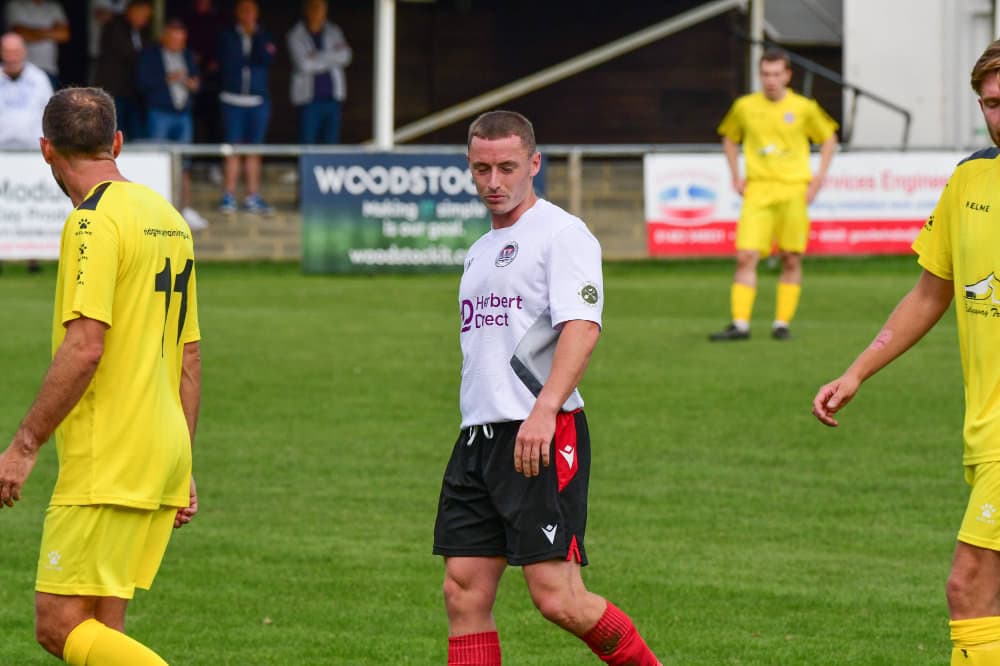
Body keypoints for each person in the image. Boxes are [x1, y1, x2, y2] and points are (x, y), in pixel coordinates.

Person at [432, 110, 662, 666]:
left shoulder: (562, 234)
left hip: (540, 431)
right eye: (481, 169)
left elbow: (582, 327)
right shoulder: (480, 249)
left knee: (558, 598)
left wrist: (544, 409)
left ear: (534, 163)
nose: (494, 182)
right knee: (463, 591)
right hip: (478, 437)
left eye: (507, 167)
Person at [812, 39, 1000, 665]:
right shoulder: (971, 178)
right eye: (991, 104)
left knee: (968, 587)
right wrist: (856, 372)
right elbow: (929, 293)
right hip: (985, 428)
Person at [0, 87, 201, 665]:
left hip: (108, 456)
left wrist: (24, 444)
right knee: (102, 629)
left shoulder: (92, 222)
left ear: (46, 150)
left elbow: (86, 346)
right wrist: (182, 460)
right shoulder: (168, 218)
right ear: (117, 142)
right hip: (161, 447)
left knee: (58, 626)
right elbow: (188, 356)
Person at [709, 48, 838, 342]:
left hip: (793, 190)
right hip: (758, 189)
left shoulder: (804, 107)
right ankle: (740, 324)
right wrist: (735, 175)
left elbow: (829, 138)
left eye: (777, 74)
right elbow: (729, 138)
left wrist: (818, 179)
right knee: (746, 256)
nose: (771, 80)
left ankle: (781, 324)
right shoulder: (744, 106)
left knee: (791, 257)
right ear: (760, 75)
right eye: (766, 74)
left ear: (787, 75)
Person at [137, 18, 208, 230]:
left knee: (184, 163)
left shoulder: (187, 55)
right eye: (175, 39)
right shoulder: (151, 55)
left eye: (181, 39)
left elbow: (197, 82)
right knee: (157, 161)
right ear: (165, 37)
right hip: (160, 114)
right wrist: (168, 78)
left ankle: (184, 209)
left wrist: (193, 84)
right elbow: (142, 84)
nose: (178, 43)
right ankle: (155, 210)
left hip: (183, 115)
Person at [0, 31, 51, 275]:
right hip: (2, 154)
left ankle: (34, 256)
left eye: (16, 51)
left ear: (24, 52)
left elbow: (50, 112)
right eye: (7, 51)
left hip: (32, 153)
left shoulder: (38, 79)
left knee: (32, 204)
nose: (12, 56)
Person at [218, 0, 276, 214]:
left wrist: (255, 36)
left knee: (254, 150)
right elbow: (229, 62)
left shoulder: (265, 35)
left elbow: (266, 59)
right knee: (232, 149)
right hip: (232, 100)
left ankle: (252, 196)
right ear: (238, 13)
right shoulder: (227, 35)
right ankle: (229, 196)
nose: (248, 15)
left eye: (251, 11)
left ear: (257, 13)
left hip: (257, 101)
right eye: (244, 11)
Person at [287, 0, 352, 144]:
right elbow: (304, 65)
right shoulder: (296, 34)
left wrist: (316, 56)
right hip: (308, 101)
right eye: (313, 7)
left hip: (333, 99)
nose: (317, 11)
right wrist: (332, 58)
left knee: (331, 145)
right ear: (306, 10)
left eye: (320, 7)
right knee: (307, 144)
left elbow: (346, 56)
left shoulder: (334, 31)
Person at [94, 0, 153, 141]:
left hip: (133, 91)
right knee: (113, 130)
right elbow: (128, 54)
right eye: (143, 15)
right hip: (113, 90)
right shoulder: (115, 26)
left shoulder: (143, 31)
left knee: (137, 133)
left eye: (147, 17)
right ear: (131, 11)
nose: (145, 20)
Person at [4, 0, 69, 90]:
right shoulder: (15, 4)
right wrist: (52, 31)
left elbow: (64, 34)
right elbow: (20, 34)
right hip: (21, 71)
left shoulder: (53, 6)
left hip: (49, 69)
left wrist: (31, 32)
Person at [87, 0, 127, 83]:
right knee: (97, 86)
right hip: (99, 53)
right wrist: (126, 15)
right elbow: (101, 15)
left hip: (123, 55)